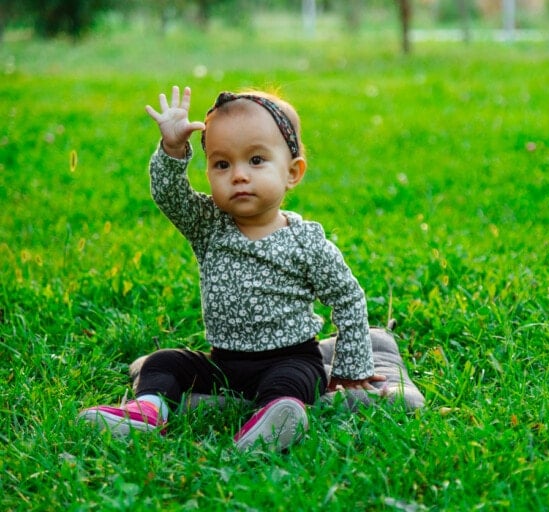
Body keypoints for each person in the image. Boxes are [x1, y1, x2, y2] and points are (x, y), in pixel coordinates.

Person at [79, 86, 385, 450]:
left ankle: (275, 418)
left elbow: (348, 298)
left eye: (256, 160)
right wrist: (174, 149)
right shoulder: (208, 225)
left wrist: (352, 369)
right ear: (208, 171)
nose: (238, 175)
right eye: (222, 164)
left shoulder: (307, 242)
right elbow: (169, 195)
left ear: (292, 172)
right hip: (224, 364)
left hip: (290, 358)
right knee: (163, 363)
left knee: (293, 381)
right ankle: (148, 410)